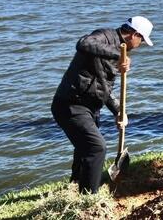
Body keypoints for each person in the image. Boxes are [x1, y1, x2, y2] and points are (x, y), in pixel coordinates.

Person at [51, 16, 154, 193]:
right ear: (134, 35)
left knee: (85, 149)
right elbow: (84, 43)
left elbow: (105, 88)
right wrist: (119, 54)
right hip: (71, 103)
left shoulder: (119, 53)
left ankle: (75, 185)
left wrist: (119, 112)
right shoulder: (105, 36)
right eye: (142, 40)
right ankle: (89, 196)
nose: (141, 44)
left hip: (90, 107)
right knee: (96, 147)